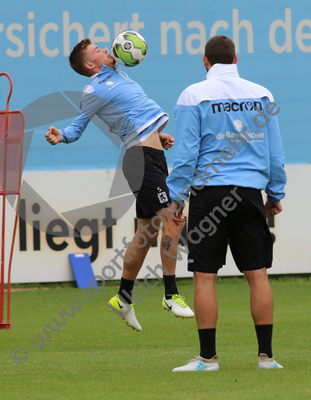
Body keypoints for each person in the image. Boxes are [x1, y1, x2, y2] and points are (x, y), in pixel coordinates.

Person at [45, 38, 194, 332]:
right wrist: (60, 135)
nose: (106, 50)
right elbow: (78, 127)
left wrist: (156, 136)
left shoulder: (119, 75)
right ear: (91, 64)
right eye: (98, 51)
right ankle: (170, 294)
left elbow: (131, 116)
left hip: (150, 153)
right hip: (140, 159)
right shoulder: (94, 88)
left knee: (147, 231)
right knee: (174, 221)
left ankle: (124, 297)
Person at [166, 35, 287, 371]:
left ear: (205, 61)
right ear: (236, 59)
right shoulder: (262, 95)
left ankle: (208, 359)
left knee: (205, 278)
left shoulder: (194, 94)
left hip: (209, 195)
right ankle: (267, 358)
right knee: (258, 276)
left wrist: (177, 198)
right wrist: (275, 193)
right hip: (249, 194)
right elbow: (274, 153)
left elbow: (187, 154)